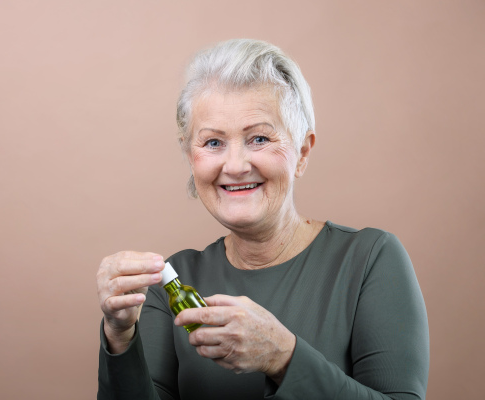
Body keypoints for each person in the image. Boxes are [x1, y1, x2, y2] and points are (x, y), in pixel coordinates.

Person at [96, 39, 429, 400]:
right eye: (212, 143)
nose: (236, 165)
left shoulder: (369, 259)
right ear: (190, 157)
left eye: (258, 138)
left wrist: (284, 357)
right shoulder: (174, 281)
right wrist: (119, 335)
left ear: (301, 153)